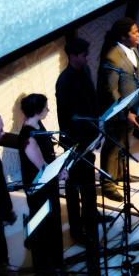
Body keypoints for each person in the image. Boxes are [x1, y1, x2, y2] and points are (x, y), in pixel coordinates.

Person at [97, 17, 139, 202]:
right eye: (134, 32)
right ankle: (108, 184)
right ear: (123, 36)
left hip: (131, 109)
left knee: (124, 143)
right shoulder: (112, 57)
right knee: (112, 146)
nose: (138, 34)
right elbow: (112, 92)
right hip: (118, 112)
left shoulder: (134, 50)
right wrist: (126, 114)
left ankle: (120, 174)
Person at [54, 37, 104, 257]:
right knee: (75, 186)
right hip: (74, 141)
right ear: (72, 56)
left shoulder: (84, 70)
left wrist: (98, 130)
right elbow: (64, 119)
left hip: (89, 136)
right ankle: (76, 229)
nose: (88, 58)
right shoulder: (63, 82)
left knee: (88, 180)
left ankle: (91, 215)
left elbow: (92, 101)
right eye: (84, 55)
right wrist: (74, 145)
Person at [17, 94, 68, 273]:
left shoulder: (38, 126)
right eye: (46, 107)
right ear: (37, 111)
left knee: (53, 222)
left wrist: (61, 168)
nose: (48, 110)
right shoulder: (29, 137)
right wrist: (59, 172)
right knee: (42, 226)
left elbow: (48, 157)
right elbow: (42, 167)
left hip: (49, 185)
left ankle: (56, 260)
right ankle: (43, 266)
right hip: (39, 190)